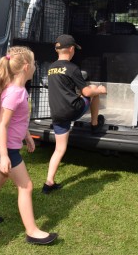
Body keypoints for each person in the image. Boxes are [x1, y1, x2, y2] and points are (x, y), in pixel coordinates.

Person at [0, 46, 58, 245]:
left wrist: (27, 136)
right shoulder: (15, 93)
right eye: (35, 63)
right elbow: (2, 125)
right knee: (26, 186)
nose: (36, 67)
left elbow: (17, 121)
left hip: (4, 145)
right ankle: (32, 231)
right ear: (27, 67)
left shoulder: (18, 90)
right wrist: (4, 156)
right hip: (6, 148)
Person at [43, 34, 107, 194]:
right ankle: (94, 124)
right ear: (71, 49)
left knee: (59, 149)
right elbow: (86, 91)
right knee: (94, 92)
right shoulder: (72, 68)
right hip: (73, 109)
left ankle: (48, 182)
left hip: (57, 114)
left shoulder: (51, 68)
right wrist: (99, 89)